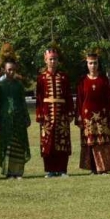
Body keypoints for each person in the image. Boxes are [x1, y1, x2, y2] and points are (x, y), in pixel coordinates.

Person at [36, 47, 74, 178]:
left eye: (55, 59)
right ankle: (50, 170)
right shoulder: (41, 78)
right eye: (50, 59)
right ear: (45, 60)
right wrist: (39, 114)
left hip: (62, 114)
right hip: (47, 115)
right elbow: (39, 99)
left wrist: (70, 112)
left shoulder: (63, 77)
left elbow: (68, 96)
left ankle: (62, 169)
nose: (53, 61)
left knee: (62, 141)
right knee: (48, 143)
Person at [76, 53, 110, 175]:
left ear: (99, 64)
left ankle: (103, 168)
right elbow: (79, 100)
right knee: (91, 143)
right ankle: (93, 168)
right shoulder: (82, 81)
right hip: (87, 117)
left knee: (102, 142)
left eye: (95, 63)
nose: (93, 65)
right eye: (90, 63)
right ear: (87, 64)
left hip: (102, 116)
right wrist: (79, 116)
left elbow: (109, 98)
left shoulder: (104, 80)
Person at [0, 60, 31, 179]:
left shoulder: (19, 85)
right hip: (5, 120)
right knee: (8, 145)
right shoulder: (0, 85)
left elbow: (23, 102)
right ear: (5, 70)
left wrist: (26, 117)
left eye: (13, 70)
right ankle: (9, 172)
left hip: (19, 118)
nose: (11, 72)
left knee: (19, 144)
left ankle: (18, 172)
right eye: (9, 69)